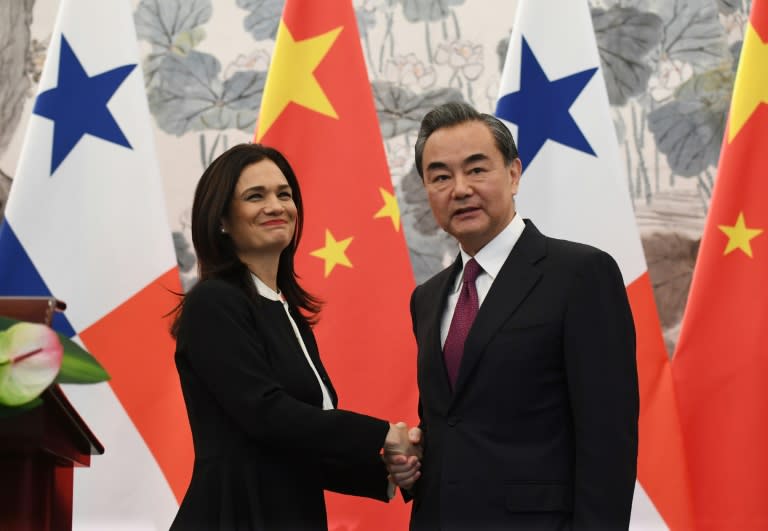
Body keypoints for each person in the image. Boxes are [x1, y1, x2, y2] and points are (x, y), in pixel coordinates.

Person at [385, 102, 639, 530]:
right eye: (441, 176)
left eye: (477, 169)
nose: (460, 189)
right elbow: (454, 423)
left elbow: (608, 443)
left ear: (514, 173)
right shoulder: (426, 299)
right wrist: (413, 455)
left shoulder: (580, 275)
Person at [170, 143, 419, 530]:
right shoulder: (213, 302)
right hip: (234, 516)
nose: (275, 206)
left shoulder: (286, 311)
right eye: (256, 196)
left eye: (284, 194)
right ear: (221, 219)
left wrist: (387, 473)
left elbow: (296, 446)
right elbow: (267, 416)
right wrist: (384, 434)